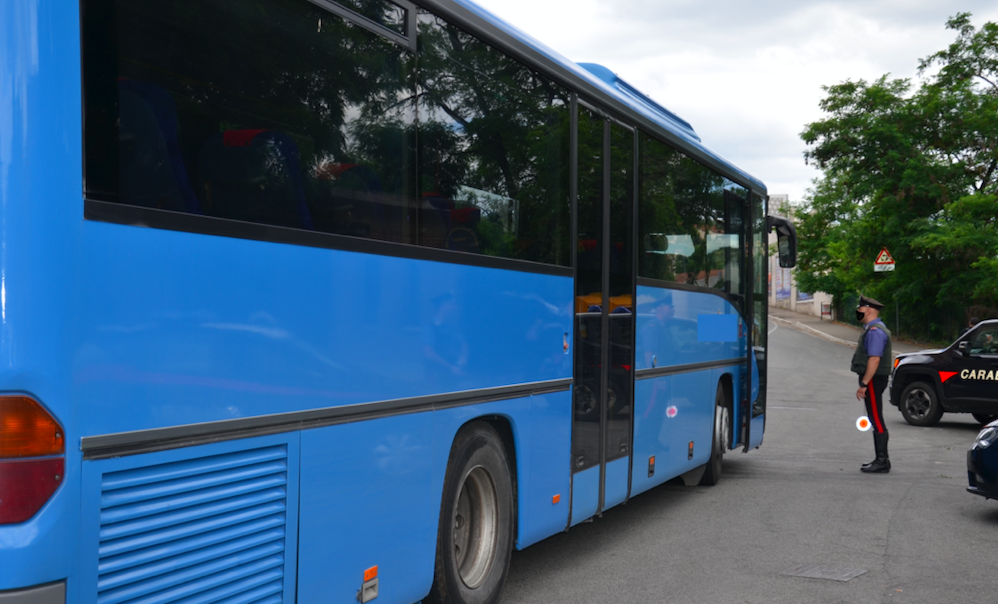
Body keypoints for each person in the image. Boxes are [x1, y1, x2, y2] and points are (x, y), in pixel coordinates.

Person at [851, 295, 893, 473]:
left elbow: (874, 360)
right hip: (874, 380)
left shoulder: (876, 331)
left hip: (873, 381)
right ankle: (882, 460)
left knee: (876, 418)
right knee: (875, 417)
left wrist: (864, 383)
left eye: (860, 309)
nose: (858, 312)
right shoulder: (872, 329)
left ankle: (882, 461)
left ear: (868, 310)